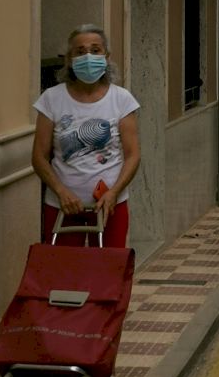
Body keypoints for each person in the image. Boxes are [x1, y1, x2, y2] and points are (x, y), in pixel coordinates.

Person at [32, 25, 140, 248]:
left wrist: (113, 193)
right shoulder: (51, 99)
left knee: (110, 267)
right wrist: (61, 192)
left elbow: (133, 155)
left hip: (109, 206)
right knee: (65, 267)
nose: (88, 57)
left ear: (106, 57)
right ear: (69, 59)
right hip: (63, 207)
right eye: (80, 52)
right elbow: (39, 157)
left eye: (95, 50)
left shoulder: (122, 99)